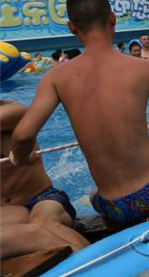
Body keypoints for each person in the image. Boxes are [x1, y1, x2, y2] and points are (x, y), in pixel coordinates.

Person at [10, 0, 149, 226]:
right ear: (113, 18)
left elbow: (22, 134)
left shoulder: (56, 77)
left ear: (72, 28)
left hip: (114, 207)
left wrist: (21, 158)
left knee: (93, 195)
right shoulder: (144, 69)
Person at [1, 100, 89, 258]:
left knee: (43, 221)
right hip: (8, 211)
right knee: (22, 221)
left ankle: (90, 259)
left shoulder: (13, 112)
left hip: (42, 198)